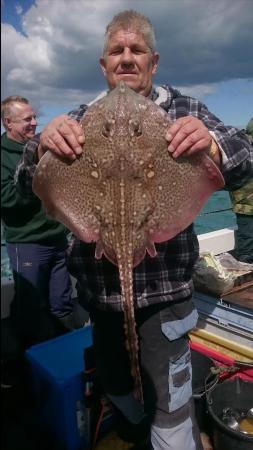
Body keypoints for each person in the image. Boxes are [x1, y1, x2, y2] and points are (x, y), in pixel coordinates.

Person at [14, 11, 253, 450]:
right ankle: (131, 421)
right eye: (116, 52)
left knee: (172, 405)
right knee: (115, 382)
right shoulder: (79, 119)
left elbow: (245, 153)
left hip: (165, 301)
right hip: (100, 299)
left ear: (154, 61)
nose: (126, 58)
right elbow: (24, 186)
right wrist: (40, 147)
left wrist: (214, 145)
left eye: (136, 50)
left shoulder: (185, 109)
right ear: (103, 65)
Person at [1, 95, 76, 351]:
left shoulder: (44, 145)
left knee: (62, 302)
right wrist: (41, 185)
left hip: (57, 238)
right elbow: (6, 199)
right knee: (31, 308)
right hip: (27, 243)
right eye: (27, 120)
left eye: (34, 117)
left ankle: (63, 354)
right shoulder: (2, 156)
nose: (34, 123)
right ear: (8, 123)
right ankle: (24, 364)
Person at [229, 118, 253, 264]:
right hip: (244, 206)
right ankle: (247, 266)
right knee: (247, 242)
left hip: (244, 205)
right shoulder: (240, 151)